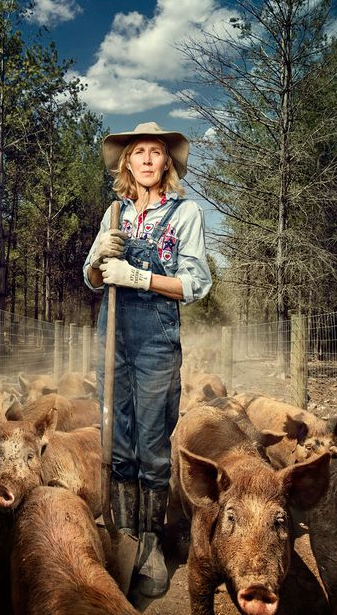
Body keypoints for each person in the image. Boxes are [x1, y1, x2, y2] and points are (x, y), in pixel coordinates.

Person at [83, 122, 212, 597]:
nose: (146, 159)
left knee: (152, 442)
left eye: (155, 152)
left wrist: (137, 276)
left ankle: (153, 541)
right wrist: (98, 258)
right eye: (138, 151)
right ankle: (126, 534)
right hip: (112, 335)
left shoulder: (184, 214)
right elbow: (94, 281)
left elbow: (195, 285)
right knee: (116, 438)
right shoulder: (113, 213)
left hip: (156, 337)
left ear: (167, 163)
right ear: (126, 162)